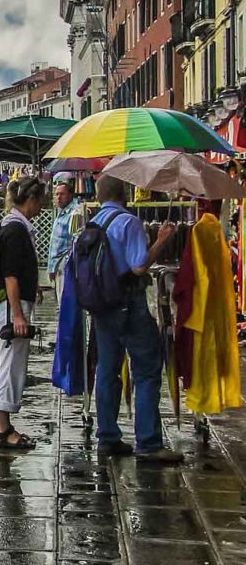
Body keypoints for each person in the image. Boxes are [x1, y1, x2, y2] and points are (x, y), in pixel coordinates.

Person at [91, 175, 182, 463]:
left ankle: (107, 437)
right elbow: (140, 265)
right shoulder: (128, 222)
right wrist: (162, 240)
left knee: (107, 370)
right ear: (125, 192)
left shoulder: (94, 223)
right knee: (146, 369)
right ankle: (149, 442)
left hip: (102, 306)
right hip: (129, 304)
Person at [0, 176, 46, 451]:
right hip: (13, 306)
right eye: (39, 200)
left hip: (17, 302)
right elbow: (10, 275)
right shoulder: (15, 230)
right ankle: (1, 428)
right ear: (31, 199)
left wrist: (32, 285)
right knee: (10, 366)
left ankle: (4, 425)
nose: (41, 206)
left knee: (12, 364)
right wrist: (18, 316)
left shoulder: (14, 226)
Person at [48, 179, 78, 302]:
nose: (58, 197)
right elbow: (55, 244)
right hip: (58, 266)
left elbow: (76, 240)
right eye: (57, 194)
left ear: (70, 195)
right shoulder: (61, 213)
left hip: (67, 265)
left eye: (62, 194)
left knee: (65, 304)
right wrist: (51, 268)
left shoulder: (74, 212)